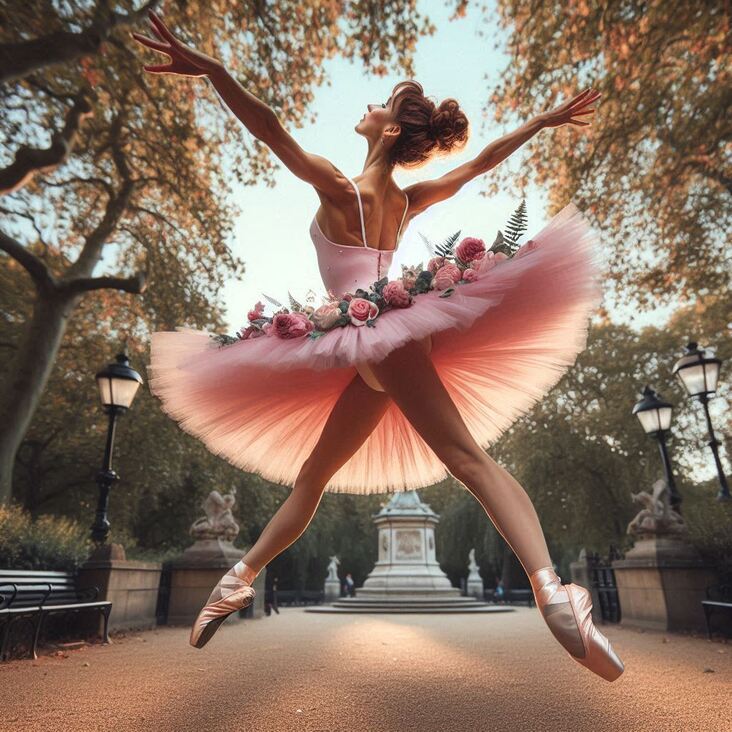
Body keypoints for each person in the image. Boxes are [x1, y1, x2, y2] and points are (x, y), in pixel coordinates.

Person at [133, 10, 623, 682]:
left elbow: (272, 127)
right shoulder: (403, 198)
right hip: (378, 340)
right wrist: (536, 124)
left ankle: (552, 595)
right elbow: (478, 164)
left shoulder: (345, 187)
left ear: (388, 129)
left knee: (418, 467)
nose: (364, 108)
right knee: (427, 464)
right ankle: (236, 581)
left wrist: (214, 69)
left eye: (376, 105)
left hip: (372, 344)